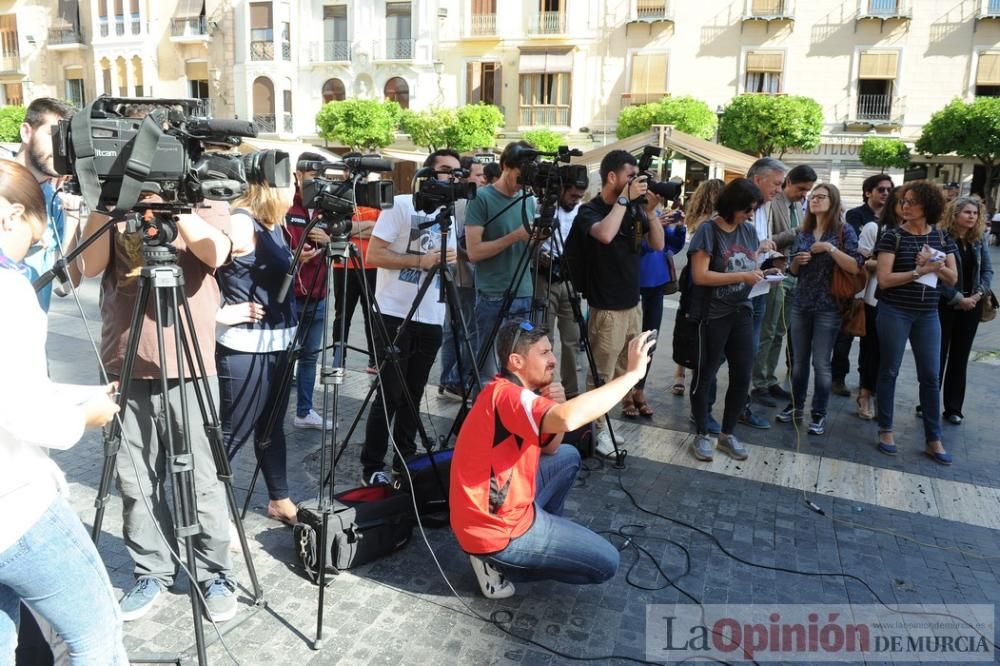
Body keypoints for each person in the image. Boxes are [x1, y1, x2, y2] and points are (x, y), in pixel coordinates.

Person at [78, 179, 238, 618]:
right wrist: (108, 200)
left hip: (189, 359)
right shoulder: (112, 196)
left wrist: (176, 204)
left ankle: (213, 572)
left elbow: (214, 254)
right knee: (134, 478)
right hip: (124, 360)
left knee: (201, 476)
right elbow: (90, 267)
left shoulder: (203, 191)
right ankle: (150, 569)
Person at [0, 160, 127, 664]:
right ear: (12, 214)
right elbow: (22, 411)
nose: (38, 240)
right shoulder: (8, 291)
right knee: (96, 635)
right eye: (37, 225)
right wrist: (86, 416)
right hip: (16, 509)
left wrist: (72, 394)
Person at [450, 320, 655, 599]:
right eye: (544, 353)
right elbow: (569, 419)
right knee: (608, 563)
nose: (553, 359)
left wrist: (554, 405)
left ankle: (542, 537)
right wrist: (632, 375)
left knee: (568, 456)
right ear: (516, 361)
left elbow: (551, 450)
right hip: (495, 531)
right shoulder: (509, 396)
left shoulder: (515, 393)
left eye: (551, 351)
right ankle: (498, 563)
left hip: (490, 510)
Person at [360, 149, 460, 486]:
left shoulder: (452, 213)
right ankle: (372, 464)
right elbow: (374, 254)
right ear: (428, 174)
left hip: (432, 315)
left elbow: (450, 259)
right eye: (446, 171)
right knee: (389, 394)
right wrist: (420, 261)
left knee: (414, 394)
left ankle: (405, 456)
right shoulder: (401, 205)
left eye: (457, 173)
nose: (452, 178)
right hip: (394, 313)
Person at [216, 160, 302, 527]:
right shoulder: (240, 222)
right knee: (232, 435)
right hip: (244, 347)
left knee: (271, 428)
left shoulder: (273, 224)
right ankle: (217, 519)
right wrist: (219, 314)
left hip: (278, 344)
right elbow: (197, 271)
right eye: (293, 183)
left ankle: (279, 499)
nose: (298, 190)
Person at [574, 150, 664, 455]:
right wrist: (625, 200)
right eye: (630, 177)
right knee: (601, 374)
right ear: (612, 177)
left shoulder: (636, 209)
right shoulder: (591, 211)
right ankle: (593, 431)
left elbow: (658, 245)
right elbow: (606, 235)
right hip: (607, 308)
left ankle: (605, 426)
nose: (636, 182)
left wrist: (650, 212)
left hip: (632, 305)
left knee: (623, 374)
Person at [875, 181, 958, 464]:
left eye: (911, 201)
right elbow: (884, 280)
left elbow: (952, 278)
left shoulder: (943, 238)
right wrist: (918, 271)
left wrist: (937, 266)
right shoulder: (892, 237)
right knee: (889, 370)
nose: (905, 206)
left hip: (928, 314)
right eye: (903, 201)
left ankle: (933, 438)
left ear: (928, 206)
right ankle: (885, 429)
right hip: (895, 311)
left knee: (931, 376)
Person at [688, 178, 767, 462]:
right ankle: (701, 433)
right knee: (706, 373)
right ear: (733, 205)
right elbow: (701, 276)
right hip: (712, 314)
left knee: (742, 374)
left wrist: (765, 274)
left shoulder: (748, 233)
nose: (751, 215)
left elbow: (752, 267)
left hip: (741, 311)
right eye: (748, 209)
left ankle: (727, 433)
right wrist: (742, 276)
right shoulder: (708, 231)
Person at [775, 184, 862, 435]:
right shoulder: (803, 231)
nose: (814, 201)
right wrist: (797, 263)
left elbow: (856, 266)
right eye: (812, 197)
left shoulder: (844, 231)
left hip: (829, 306)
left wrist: (830, 248)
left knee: (821, 364)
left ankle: (819, 413)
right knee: (798, 362)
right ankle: (796, 406)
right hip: (801, 302)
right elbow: (792, 270)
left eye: (821, 197)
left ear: (833, 201)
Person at [717, 157, 785, 431]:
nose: (779, 190)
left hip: (756, 290)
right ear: (758, 180)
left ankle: (740, 408)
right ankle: (703, 412)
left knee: (747, 354)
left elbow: (753, 253)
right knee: (717, 355)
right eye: (776, 184)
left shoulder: (764, 209)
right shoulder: (729, 215)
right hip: (732, 296)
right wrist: (757, 253)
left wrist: (770, 261)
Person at [465, 141, 537, 386]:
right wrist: (515, 236)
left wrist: (538, 240)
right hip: (492, 296)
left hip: (524, 293)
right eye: (519, 176)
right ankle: (483, 420)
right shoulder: (481, 199)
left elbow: (527, 245)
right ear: (505, 166)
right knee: (488, 372)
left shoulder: (528, 199)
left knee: (518, 371)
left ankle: (509, 420)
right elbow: (473, 252)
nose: (522, 183)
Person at [750, 164, 817, 407]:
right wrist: (796, 231)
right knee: (767, 330)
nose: (804, 195)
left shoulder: (798, 206)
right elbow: (768, 240)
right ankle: (759, 382)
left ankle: (768, 378)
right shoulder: (770, 203)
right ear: (788, 182)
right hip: (773, 272)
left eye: (808, 191)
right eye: (801, 189)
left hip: (791, 275)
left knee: (779, 331)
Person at [14, 98, 82, 311]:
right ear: (27, 132)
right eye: (54, 136)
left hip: (32, 336)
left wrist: (72, 217)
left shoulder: (55, 198)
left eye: (66, 140)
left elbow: (70, 280)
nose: (60, 148)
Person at [831, 174, 894, 397]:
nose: (885, 193)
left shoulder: (892, 221)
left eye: (889, 190)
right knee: (846, 333)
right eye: (881, 189)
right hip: (855, 283)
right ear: (868, 192)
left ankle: (865, 380)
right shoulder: (857, 216)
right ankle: (838, 377)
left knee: (871, 339)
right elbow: (857, 252)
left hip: (878, 290)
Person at [284, 153, 334, 430]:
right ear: (298, 176)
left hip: (319, 295)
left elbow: (340, 244)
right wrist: (293, 255)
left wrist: (328, 240)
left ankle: (304, 412)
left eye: (322, 176)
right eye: (312, 176)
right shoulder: (285, 207)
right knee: (283, 357)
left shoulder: (327, 209)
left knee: (310, 357)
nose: (318, 182)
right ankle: (271, 412)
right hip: (289, 297)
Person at [626, 187, 685, 417]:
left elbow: (671, 246)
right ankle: (625, 393)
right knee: (629, 341)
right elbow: (634, 246)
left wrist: (678, 229)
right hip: (632, 283)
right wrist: (651, 222)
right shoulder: (629, 211)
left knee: (650, 340)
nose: (657, 195)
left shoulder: (656, 211)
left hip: (656, 285)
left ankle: (639, 390)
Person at [936, 196, 993, 425]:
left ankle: (953, 408)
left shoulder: (978, 240)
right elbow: (937, 275)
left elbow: (988, 271)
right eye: (968, 212)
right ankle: (928, 402)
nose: (972, 217)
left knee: (960, 357)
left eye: (975, 213)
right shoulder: (941, 238)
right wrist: (958, 297)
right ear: (955, 214)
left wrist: (977, 295)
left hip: (972, 305)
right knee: (937, 356)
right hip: (946, 305)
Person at [533, 175, 588, 399]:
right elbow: (531, 240)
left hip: (570, 279)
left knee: (572, 339)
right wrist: (540, 254)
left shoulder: (581, 211)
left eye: (579, 197)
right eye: (572, 195)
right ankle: (548, 389)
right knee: (546, 338)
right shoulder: (544, 208)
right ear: (562, 189)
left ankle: (572, 391)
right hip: (545, 278)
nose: (575, 200)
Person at [438, 155, 486, 399]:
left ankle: (448, 379)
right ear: (465, 177)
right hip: (463, 277)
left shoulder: (458, 203)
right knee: (469, 331)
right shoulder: (464, 204)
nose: (483, 179)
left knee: (452, 329)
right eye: (479, 175)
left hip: (454, 275)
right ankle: (454, 380)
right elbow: (461, 246)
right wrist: (477, 255)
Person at [855, 186, 905, 420]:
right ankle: (865, 394)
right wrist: (891, 264)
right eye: (904, 202)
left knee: (890, 353)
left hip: (906, 299)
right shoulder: (876, 228)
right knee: (872, 349)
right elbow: (863, 263)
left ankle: (880, 394)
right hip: (876, 296)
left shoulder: (921, 232)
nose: (908, 207)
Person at [673, 178, 724, 397]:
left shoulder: (696, 217)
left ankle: (681, 372)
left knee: (687, 320)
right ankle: (688, 371)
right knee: (692, 322)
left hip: (690, 276)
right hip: (699, 276)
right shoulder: (709, 221)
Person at [330, 154, 380, 374]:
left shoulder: (376, 193)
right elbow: (336, 228)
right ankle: (338, 360)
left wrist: (352, 227)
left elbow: (381, 229)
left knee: (373, 315)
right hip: (343, 265)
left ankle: (374, 360)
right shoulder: (339, 194)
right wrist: (366, 227)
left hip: (371, 264)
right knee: (342, 315)